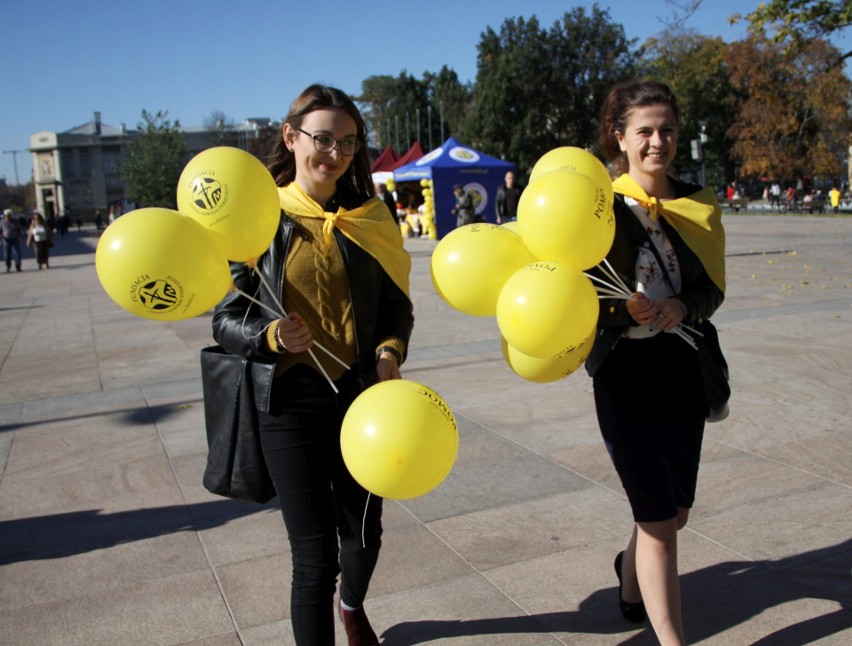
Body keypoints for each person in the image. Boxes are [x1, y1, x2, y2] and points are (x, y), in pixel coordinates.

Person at [212, 84, 413, 646]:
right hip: (289, 403)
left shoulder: (371, 219)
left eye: (347, 143)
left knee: (366, 534)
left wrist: (389, 351)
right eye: (322, 138)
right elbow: (226, 321)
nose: (334, 153)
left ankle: (353, 606)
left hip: (360, 399)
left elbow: (397, 306)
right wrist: (272, 334)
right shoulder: (257, 220)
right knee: (314, 556)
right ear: (291, 137)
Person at [588, 80, 725, 646]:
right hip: (624, 374)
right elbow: (578, 295)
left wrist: (680, 304)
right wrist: (626, 309)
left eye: (666, 130)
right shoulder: (595, 207)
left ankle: (628, 568)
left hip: (681, 371)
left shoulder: (698, 204)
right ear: (619, 138)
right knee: (661, 524)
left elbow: (712, 289)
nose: (657, 142)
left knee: (675, 512)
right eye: (644, 131)